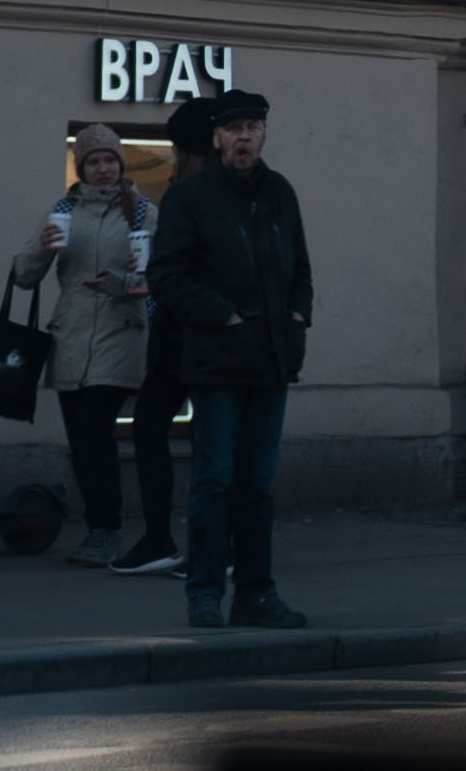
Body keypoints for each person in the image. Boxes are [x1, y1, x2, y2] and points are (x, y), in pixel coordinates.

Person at [147, 91, 311, 630]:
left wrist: (297, 317)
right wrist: (224, 317)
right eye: (235, 128)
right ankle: (205, 591)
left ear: (263, 135)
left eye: (253, 128)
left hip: (270, 362)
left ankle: (256, 593)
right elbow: (167, 276)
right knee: (214, 481)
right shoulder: (190, 197)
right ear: (217, 137)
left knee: (257, 485)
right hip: (217, 362)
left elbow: (300, 270)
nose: (244, 137)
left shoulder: (279, 192)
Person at [13, 125, 156, 567]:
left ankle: (105, 530)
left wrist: (122, 282)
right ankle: (98, 527)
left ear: (121, 163)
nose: (103, 168)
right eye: (93, 161)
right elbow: (23, 275)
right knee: (82, 440)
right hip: (71, 336)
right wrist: (42, 246)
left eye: (110, 160)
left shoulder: (143, 213)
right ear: (82, 167)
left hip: (119, 331)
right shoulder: (63, 210)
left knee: (95, 431)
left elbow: (160, 277)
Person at [109, 93, 219, 576]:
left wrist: (150, 273)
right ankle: (216, 545)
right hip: (210, 334)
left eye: (176, 147)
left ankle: (165, 539)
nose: (172, 154)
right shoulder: (227, 193)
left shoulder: (186, 196)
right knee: (213, 441)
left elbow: (179, 269)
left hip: (184, 333)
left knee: (154, 429)